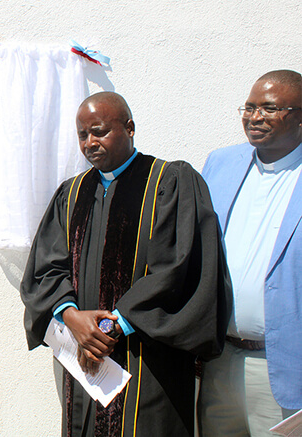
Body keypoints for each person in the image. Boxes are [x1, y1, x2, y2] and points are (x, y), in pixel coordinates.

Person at [20, 91, 231, 436]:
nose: (90, 142)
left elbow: (179, 267)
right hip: (82, 359)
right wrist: (73, 319)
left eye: (99, 131)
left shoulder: (169, 182)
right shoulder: (71, 194)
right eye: (83, 135)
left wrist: (108, 328)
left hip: (148, 361)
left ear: (129, 128)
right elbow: (45, 269)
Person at [199, 70, 302, 436]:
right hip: (218, 362)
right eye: (250, 106)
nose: (255, 117)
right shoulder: (220, 164)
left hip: (284, 369)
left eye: (270, 108)